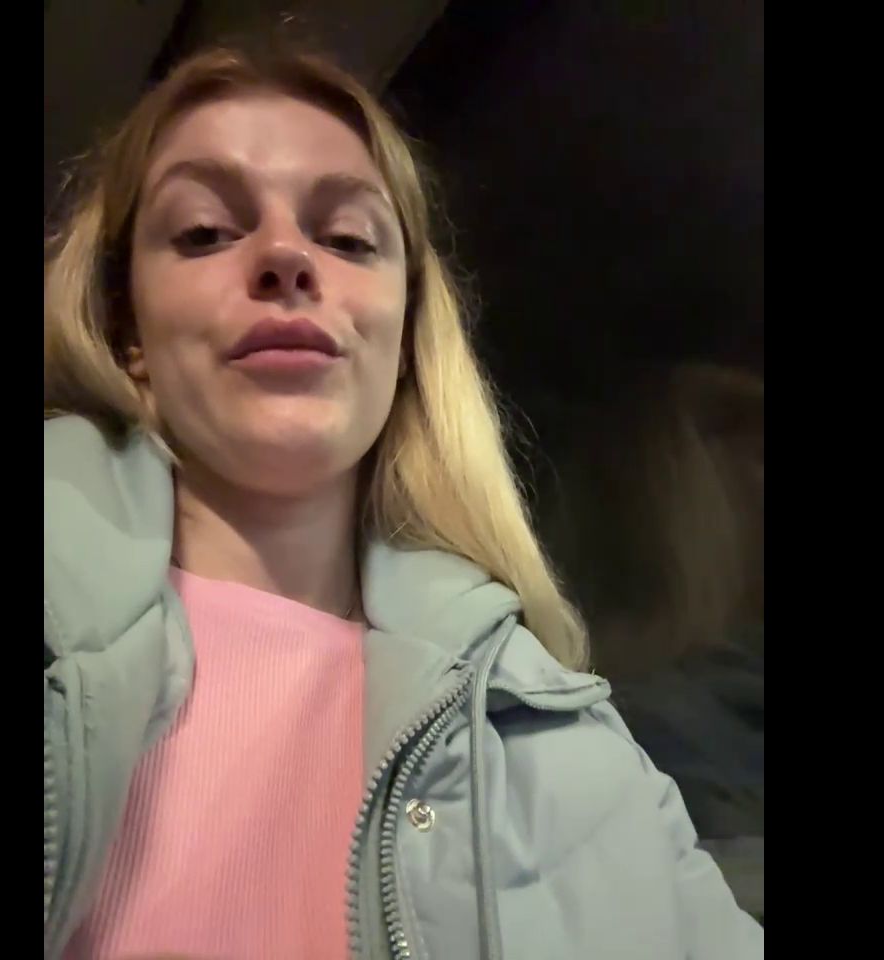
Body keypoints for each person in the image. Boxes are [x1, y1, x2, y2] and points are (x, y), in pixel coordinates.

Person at [43, 46, 764, 960]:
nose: (285, 256)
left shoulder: (550, 732)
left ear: (406, 332)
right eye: (205, 232)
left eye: (348, 240)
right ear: (127, 331)